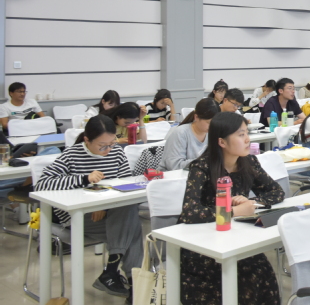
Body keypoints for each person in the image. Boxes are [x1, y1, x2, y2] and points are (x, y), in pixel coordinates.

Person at [178, 112, 283, 304]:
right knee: (246, 274)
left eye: (247, 133)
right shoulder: (201, 167)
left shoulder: (249, 162)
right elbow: (189, 212)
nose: (247, 139)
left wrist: (251, 202)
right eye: (241, 135)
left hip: (236, 237)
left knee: (261, 269)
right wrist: (233, 211)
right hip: (204, 245)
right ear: (222, 142)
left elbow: (276, 191)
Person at [36, 115, 144, 300]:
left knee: (129, 214)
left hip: (111, 214)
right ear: (87, 140)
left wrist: (104, 205)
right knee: (132, 228)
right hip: (79, 217)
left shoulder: (117, 153)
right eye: (102, 146)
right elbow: (42, 184)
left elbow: (125, 185)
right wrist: (84, 178)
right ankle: (133, 286)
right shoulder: (72, 155)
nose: (108, 150)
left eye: (112, 143)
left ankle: (116, 275)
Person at [159, 98, 219, 171]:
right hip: (172, 176)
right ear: (196, 117)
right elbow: (174, 165)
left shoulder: (211, 133)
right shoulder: (181, 133)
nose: (213, 127)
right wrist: (204, 162)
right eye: (209, 123)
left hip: (196, 174)